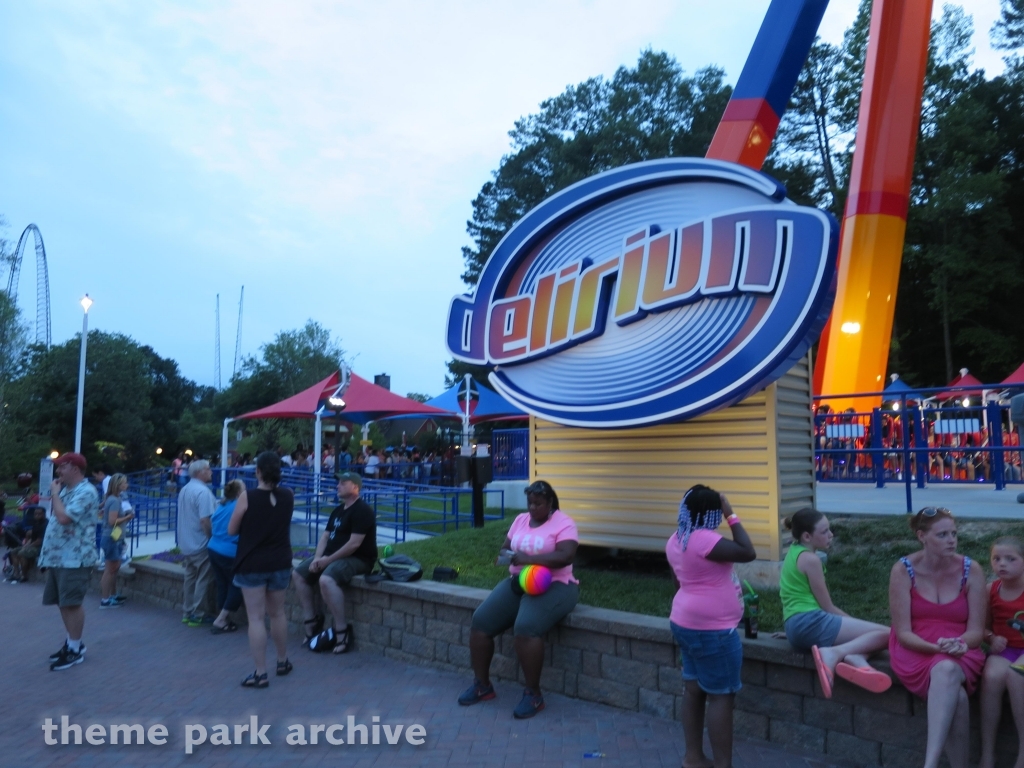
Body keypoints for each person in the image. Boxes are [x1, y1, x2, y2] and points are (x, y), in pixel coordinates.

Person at [458, 480, 579, 719]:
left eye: (539, 503)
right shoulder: (520, 520)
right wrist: (507, 557)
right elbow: (505, 548)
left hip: (556, 585)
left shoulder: (563, 522)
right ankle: (482, 686)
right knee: (481, 621)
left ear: (550, 502)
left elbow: (566, 555)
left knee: (525, 627)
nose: (533, 507)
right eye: (530, 502)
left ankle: (533, 695)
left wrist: (529, 559)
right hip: (519, 581)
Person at [665, 485, 755, 768]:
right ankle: (722, 765)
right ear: (713, 512)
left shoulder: (676, 539)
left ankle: (693, 757)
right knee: (721, 696)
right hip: (713, 630)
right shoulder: (704, 539)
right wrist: (733, 515)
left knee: (693, 690)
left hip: (684, 622)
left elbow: (678, 581)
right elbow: (747, 551)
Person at [888, 507, 985, 768]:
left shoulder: (971, 569)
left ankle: (929, 765)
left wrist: (960, 644)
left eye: (954, 533)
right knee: (958, 697)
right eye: (942, 535)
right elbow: (904, 632)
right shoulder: (902, 570)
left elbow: (977, 631)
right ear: (922, 536)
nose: (951, 540)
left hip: (962, 650)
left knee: (946, 671)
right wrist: (936, 648)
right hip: (916, 650)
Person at [780, 508, 891, 697]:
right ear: (807, 536)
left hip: (795, 626)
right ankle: (833, 654)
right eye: (824, 532)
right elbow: (828, 607)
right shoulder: (811, 560)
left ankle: (856, 658)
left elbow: (792, 595)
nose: (831, 535)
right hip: (810, 622)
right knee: (888, 635)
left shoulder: (794, 551)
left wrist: (792, 629)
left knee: (865, 640)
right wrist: (855, 624)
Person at [228, 452, 294, 688]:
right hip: (280, 561)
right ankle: (283, 660)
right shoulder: (288, 495)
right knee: (278, 613)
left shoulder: (248, 497)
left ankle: (260, 672)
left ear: (257, 471)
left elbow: (231, 530)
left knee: (256, 617)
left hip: (253, 562)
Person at [293, 471, 377, 653]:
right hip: (330, 556)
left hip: (358, 559)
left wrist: (327, 561)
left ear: (355, 487)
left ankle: (342, 631)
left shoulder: (363, 510)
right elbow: (324, 537)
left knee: (326, 580)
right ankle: (312, 621)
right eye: (338, 483)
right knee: (299, 573)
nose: (338, 486)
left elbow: (354, 544)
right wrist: (317, 559)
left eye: (343, 483)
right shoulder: (338, 510)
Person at [38, 453, 100, 671]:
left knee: (71, 602)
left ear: (75, 468)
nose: (58, 472)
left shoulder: (86, 492)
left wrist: (54, 493)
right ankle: (73, 643)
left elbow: (64, 518)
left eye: (62, 467)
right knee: (62, 601)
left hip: (75, 558)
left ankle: (74, 650)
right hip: (59, 557)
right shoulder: (67, 490)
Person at [979, 536, 1024, 768]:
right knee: (992, 676)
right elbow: (981, 626)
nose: (1002, 564)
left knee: (1017, 676)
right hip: (1006, 650)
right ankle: (988, 752)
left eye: (1010, 559)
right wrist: (991, 638)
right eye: (996, 559)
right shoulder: (991, 590)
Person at [176, 459, 216, 626]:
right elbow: (205, 520)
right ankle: (198, 613)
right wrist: (211, 538)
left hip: (186, 543)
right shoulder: (203, 492)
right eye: (208, 469)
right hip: (200, 543)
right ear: (200, 472)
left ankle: (187, 611)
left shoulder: (185, 489)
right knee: (203, 579)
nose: (211, 472)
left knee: (190, 578)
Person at [207, 479, 245, 634]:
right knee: (237, 584)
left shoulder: (221, 505)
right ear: (238, 493)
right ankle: (221, 619)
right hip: (230, 551)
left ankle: (222, 617)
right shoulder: (239, 506)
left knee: (222, 584)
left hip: (213, 548)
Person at [99, 474, 134, 608]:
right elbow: (112, 521)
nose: (127, 485)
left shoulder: (114, 499)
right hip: (111, 538)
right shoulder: (114, 500)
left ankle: (111, 595)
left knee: (114, 568)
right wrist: (128, 517)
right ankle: (105, 599)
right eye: (124, 483)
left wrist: (126, 517)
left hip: (116, 537)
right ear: (118, 485)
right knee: (110, 569)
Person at [6, 506, 48, 583]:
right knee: (13, 552)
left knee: (22, 553)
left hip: (41, 547)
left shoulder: (45, 524)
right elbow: (32, 538)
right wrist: (26, 545)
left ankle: (24, 575)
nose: (37, 515)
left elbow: (39, 541)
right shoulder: (36, 523)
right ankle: (16, 574)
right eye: (35, 514)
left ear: (44, 514)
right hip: (33, 545)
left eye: (39, 514)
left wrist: (27, 546)